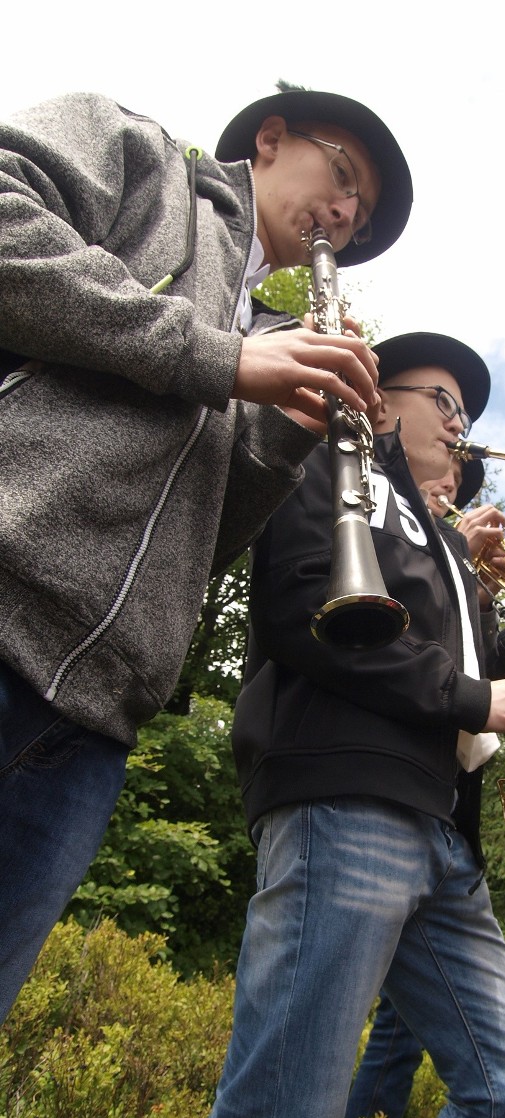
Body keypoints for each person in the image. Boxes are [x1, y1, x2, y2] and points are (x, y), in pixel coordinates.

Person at [0, 85, 412, 1023]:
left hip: (92, 724)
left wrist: (286, 436)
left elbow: (198, 546)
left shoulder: (271, 335)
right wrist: (216, 357)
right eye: (342, 175)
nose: (344, 216)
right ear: (269, 139)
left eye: (361, 214)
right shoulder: (139, 156)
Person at [175, 331, 505, 1118]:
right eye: (442, 399)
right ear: (383, 395)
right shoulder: (332, 457)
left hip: (440, 829)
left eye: (467, 411)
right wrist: (481, 701)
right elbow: (301, 606)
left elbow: (465, 678)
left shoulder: (436, 537)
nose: (460, 423)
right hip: (347, 798)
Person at [343, 454, 505, 1118]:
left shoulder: (470, 582)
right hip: (378, 795)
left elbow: (487, 682)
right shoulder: (389, 520)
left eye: (458, 489)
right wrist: (455, 556)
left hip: (450, 818)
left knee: (411, 1029)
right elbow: (392, 641)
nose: (451, 489)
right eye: (442, 485)